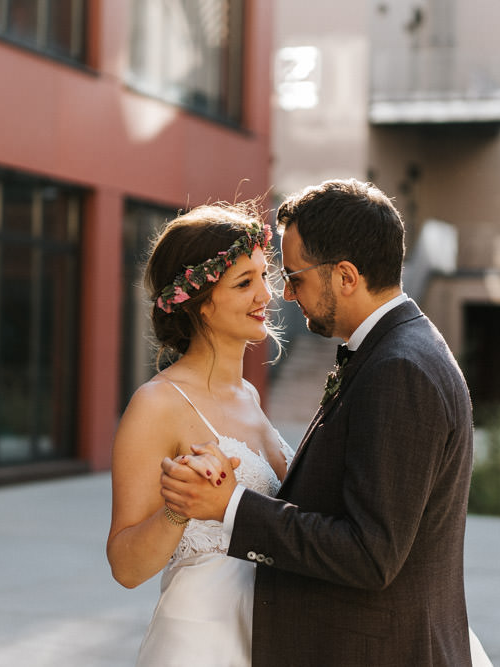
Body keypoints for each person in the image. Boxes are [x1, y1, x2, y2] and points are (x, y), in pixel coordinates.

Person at [161, 178, 490, 666]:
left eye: (294, 278)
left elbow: (370, 554)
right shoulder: (397, 350)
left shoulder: (399, 369)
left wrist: (231, 506)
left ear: (346, 277)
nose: (286, 295)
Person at [105, 200, 294, 666]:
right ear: (202, 303)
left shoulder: (249, 395)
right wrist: (177, 510)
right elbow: (126, 568)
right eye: (245, 283)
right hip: (199, 642)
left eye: (263, 277)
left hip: (266, 635)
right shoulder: (157, 405)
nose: (265, 296)